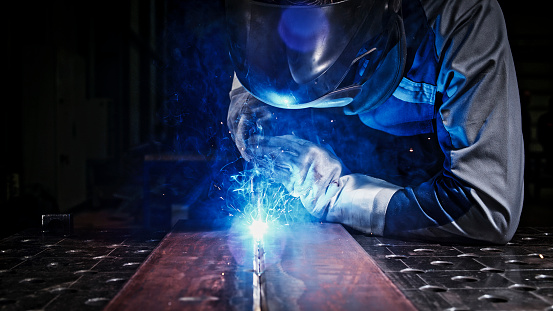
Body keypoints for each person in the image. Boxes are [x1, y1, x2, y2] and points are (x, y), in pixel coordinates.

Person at [225, 0, 524, 244]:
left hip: (424, 221)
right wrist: (248, 93)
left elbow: (486, 207)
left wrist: (330, 192)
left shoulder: (462, 18)